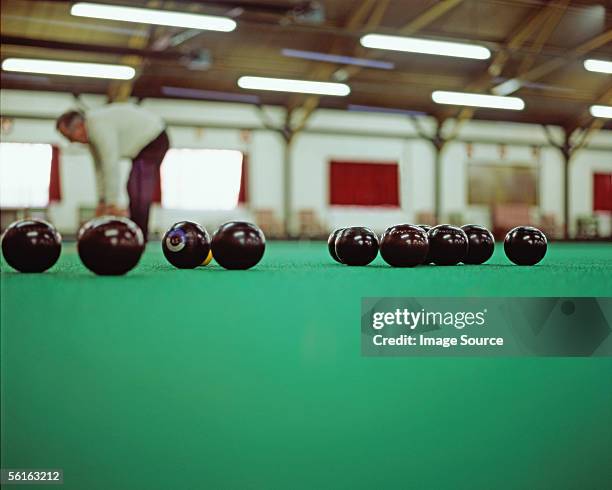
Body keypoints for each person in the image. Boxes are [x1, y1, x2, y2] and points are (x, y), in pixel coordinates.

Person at [56, 103, 169, 239]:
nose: (72, 142)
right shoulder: (91, 135)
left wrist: (111, 203)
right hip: (143, 147)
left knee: (138, 189)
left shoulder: (97, 125)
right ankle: (136, 235)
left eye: (69, 136)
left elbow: (110, 164)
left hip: (155, 137)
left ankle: (139, 237)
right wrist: (102, 201)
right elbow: (99, 169)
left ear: (79, 126)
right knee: (133, 187)